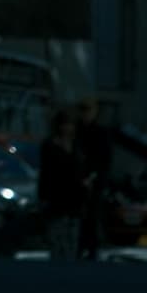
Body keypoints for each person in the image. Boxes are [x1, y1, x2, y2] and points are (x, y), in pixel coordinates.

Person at [37, 110, 82, 263]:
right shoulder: (50, 145)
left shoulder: (76, 145)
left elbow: (80, 168)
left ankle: (69, 266)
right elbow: (46, 173)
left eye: (70, 125)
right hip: (56, 197)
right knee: (57, 237)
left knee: (72, 237)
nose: (68, 128)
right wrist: (43, 197)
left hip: (75, 197)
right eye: (65, 124)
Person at [71, 97, 111, 261]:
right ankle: (80, 246)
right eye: (83, 110)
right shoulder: (76, 131)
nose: (85, 114)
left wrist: (93, 176)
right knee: (78, 216)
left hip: (94, 180)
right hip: (77, 180)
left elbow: (105, 159)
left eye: (88, 110)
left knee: (93, 214)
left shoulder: (100, 132)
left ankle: (92, 247)